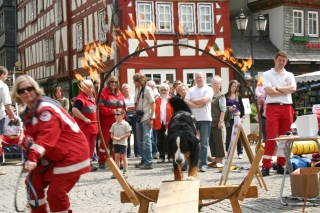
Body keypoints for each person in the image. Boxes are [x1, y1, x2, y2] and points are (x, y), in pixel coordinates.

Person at [12, 75, 90, 212]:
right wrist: (26, 141)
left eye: (29, 88)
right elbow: (31, 135)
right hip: (52, 155)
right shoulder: (30, 112)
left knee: (56, 193)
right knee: (33, 185)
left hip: (71, 155)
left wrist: (33, 156)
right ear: (17, 94)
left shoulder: (45, 109)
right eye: (21, 90)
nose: (26, 92)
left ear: (35, 89)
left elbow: (48, 135)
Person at [260, 51, 296, 176]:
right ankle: (266, 165)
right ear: (275, 60)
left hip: (287, 108)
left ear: (286, 62)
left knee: (284, 138)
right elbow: (269, 91)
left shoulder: (290, 74)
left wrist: (277, 89)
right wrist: (284, 90)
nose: (281, 63)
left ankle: (281, 164)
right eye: (279, 60)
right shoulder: (266, 74)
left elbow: (293, 89)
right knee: (270, 137)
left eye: (284, 61)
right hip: (273, 107)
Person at [185, 71, 213, 172]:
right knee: (190, 142)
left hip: (205, 118)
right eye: (197, 77)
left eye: (200, 77)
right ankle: (189, 163)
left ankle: (203, 164)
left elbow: (205, 100)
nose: (198, 79)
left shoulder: (208, 89)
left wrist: (192, 101)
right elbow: (186, 102)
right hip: (193, 119)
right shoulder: (191, 89)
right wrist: (197, 104)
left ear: (204, 78)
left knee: (204, 142)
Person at [98, 76, 126, 169]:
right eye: (112, 82)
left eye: (116, 82)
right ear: (108, 83)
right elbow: (100, 107)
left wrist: (123, 119)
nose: (114, 83)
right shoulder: (103, 92)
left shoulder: (120, 94)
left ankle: (118, 161)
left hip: (119, 123)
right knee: (105, 142)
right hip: (106, 122)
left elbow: (124, 108)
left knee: (118, 142)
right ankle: (102, 160)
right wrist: (113, 112)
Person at [72, 80, 98, 172]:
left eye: (92, 87)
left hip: (92, 127)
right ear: (83, 88)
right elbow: (75, 110)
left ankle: (88, 164)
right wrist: (84, 119)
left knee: (91, 146)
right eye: (89, 87)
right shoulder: (81, 98)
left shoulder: (90, 97)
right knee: (85, 146)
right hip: (85, 127)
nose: (91, 89)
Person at [133, 73, 155, 170]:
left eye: (135, 81)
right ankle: (144, 159)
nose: (134, 82)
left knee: (146, 140)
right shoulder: (137, 89)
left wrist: (151, 118)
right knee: (139, 140)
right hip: (140, 117)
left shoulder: (148, 89)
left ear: (140, 81)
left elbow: (153, 103)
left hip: (146, 117)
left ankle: (149, 161)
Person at [0, 66, 18, 175]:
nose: (6, 78)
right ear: (2, 75)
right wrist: (13, 115)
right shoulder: (2, 86)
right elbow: (7, 104)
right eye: (6, 76)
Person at [208, 76, 226, 168]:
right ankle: (215, 159)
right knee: (212, 141)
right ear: (211, 84)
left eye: (217, 83)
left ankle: (220, 160)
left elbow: (223, 109)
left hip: (217, 121)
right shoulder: (209, 94)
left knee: (219, 141)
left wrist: (221, 121)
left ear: (220, 85)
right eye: (214, 83)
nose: (215, 85)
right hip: (210, 121)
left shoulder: (221, 96)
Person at [225, 80, 245, 159]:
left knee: (238, 134)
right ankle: (228, 152)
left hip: (237, 116)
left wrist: (242, 117)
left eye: (235, 87)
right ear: (230, 86)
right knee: (229, 134)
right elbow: (223, 107)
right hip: (229, 117)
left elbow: (242, 107)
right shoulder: (225, 96)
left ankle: (240, 152)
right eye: (233, 86)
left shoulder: (238, 95)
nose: (234, 88)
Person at [154, 83, 173, 163]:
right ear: (159, 91)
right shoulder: (156, 100)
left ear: (168, 91)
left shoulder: (172, 100)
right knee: (160, 140)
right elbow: (154, 111)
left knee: (170, 140)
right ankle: (161, 156)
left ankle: (170, 156)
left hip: (169, 122)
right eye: (162, 90)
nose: (163, 91)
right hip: (159, 122)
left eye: (165, 90)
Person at [110, 108, 131, 179]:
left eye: (117, 114)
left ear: (123, 115)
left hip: (123, 143)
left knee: (124, 158)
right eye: (115, 114)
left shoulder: (126, 124)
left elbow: (128, 133)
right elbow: (111, 133)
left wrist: (120, 138)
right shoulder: (114, 124)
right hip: (116, 143)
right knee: (116, 158)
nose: (116, 116)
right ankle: (117, 172)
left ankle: (125, 171)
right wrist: (112, 137)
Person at [121, 83, 140, 157]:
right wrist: (129, 108)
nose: (126, 90)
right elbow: (123, 109)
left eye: (127, 88)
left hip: (135, 116)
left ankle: (137, 153)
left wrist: (128, 108)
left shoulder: (133, 97)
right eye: (124, 88)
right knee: (126, 134)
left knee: (136, 134)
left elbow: (136, 106)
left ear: (129, 89)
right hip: (125, 117)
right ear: (122, 90)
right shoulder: (122, 98)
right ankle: (127, 153)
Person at [146, 80, 159, 159]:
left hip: (154, 116)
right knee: (151, 135)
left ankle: (154, 152)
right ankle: (153, 152)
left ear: (153, 87)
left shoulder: (156, 95)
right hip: (150, 116)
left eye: (150, 86)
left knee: (152, 135)